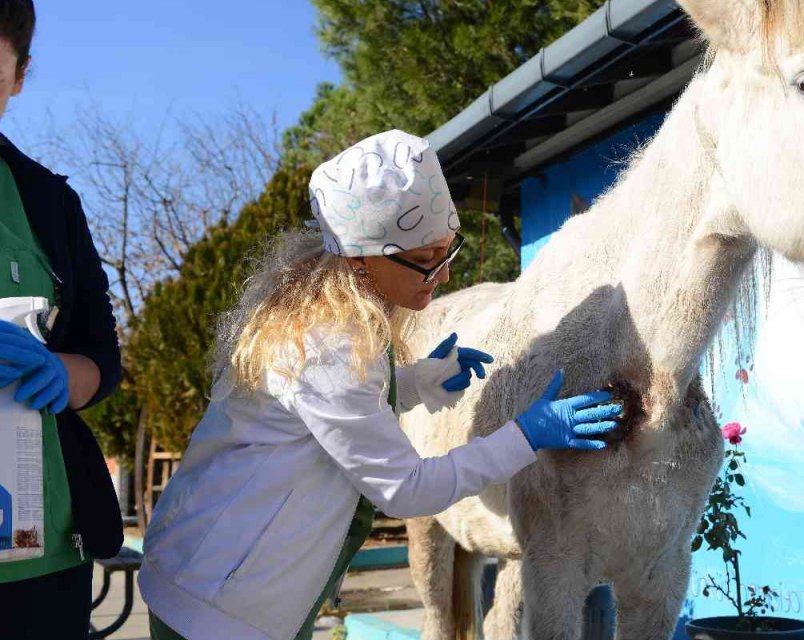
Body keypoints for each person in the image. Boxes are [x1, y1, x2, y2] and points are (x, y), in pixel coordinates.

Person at [138, 129, 623, 640]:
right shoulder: (328, 345)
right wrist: (526, 435)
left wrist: (421, 381)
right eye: (425, 258)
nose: (444, 275)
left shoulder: (327, 322)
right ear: (362, 258)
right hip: (221, 604)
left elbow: (328, 413)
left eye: (447, 249)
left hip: (228, 580)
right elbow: (405, 489)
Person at [0, 0, 126, 636]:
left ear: (20, 75)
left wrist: (60, 372)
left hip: (40, 557)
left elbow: (104, 358)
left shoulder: (49, 202)